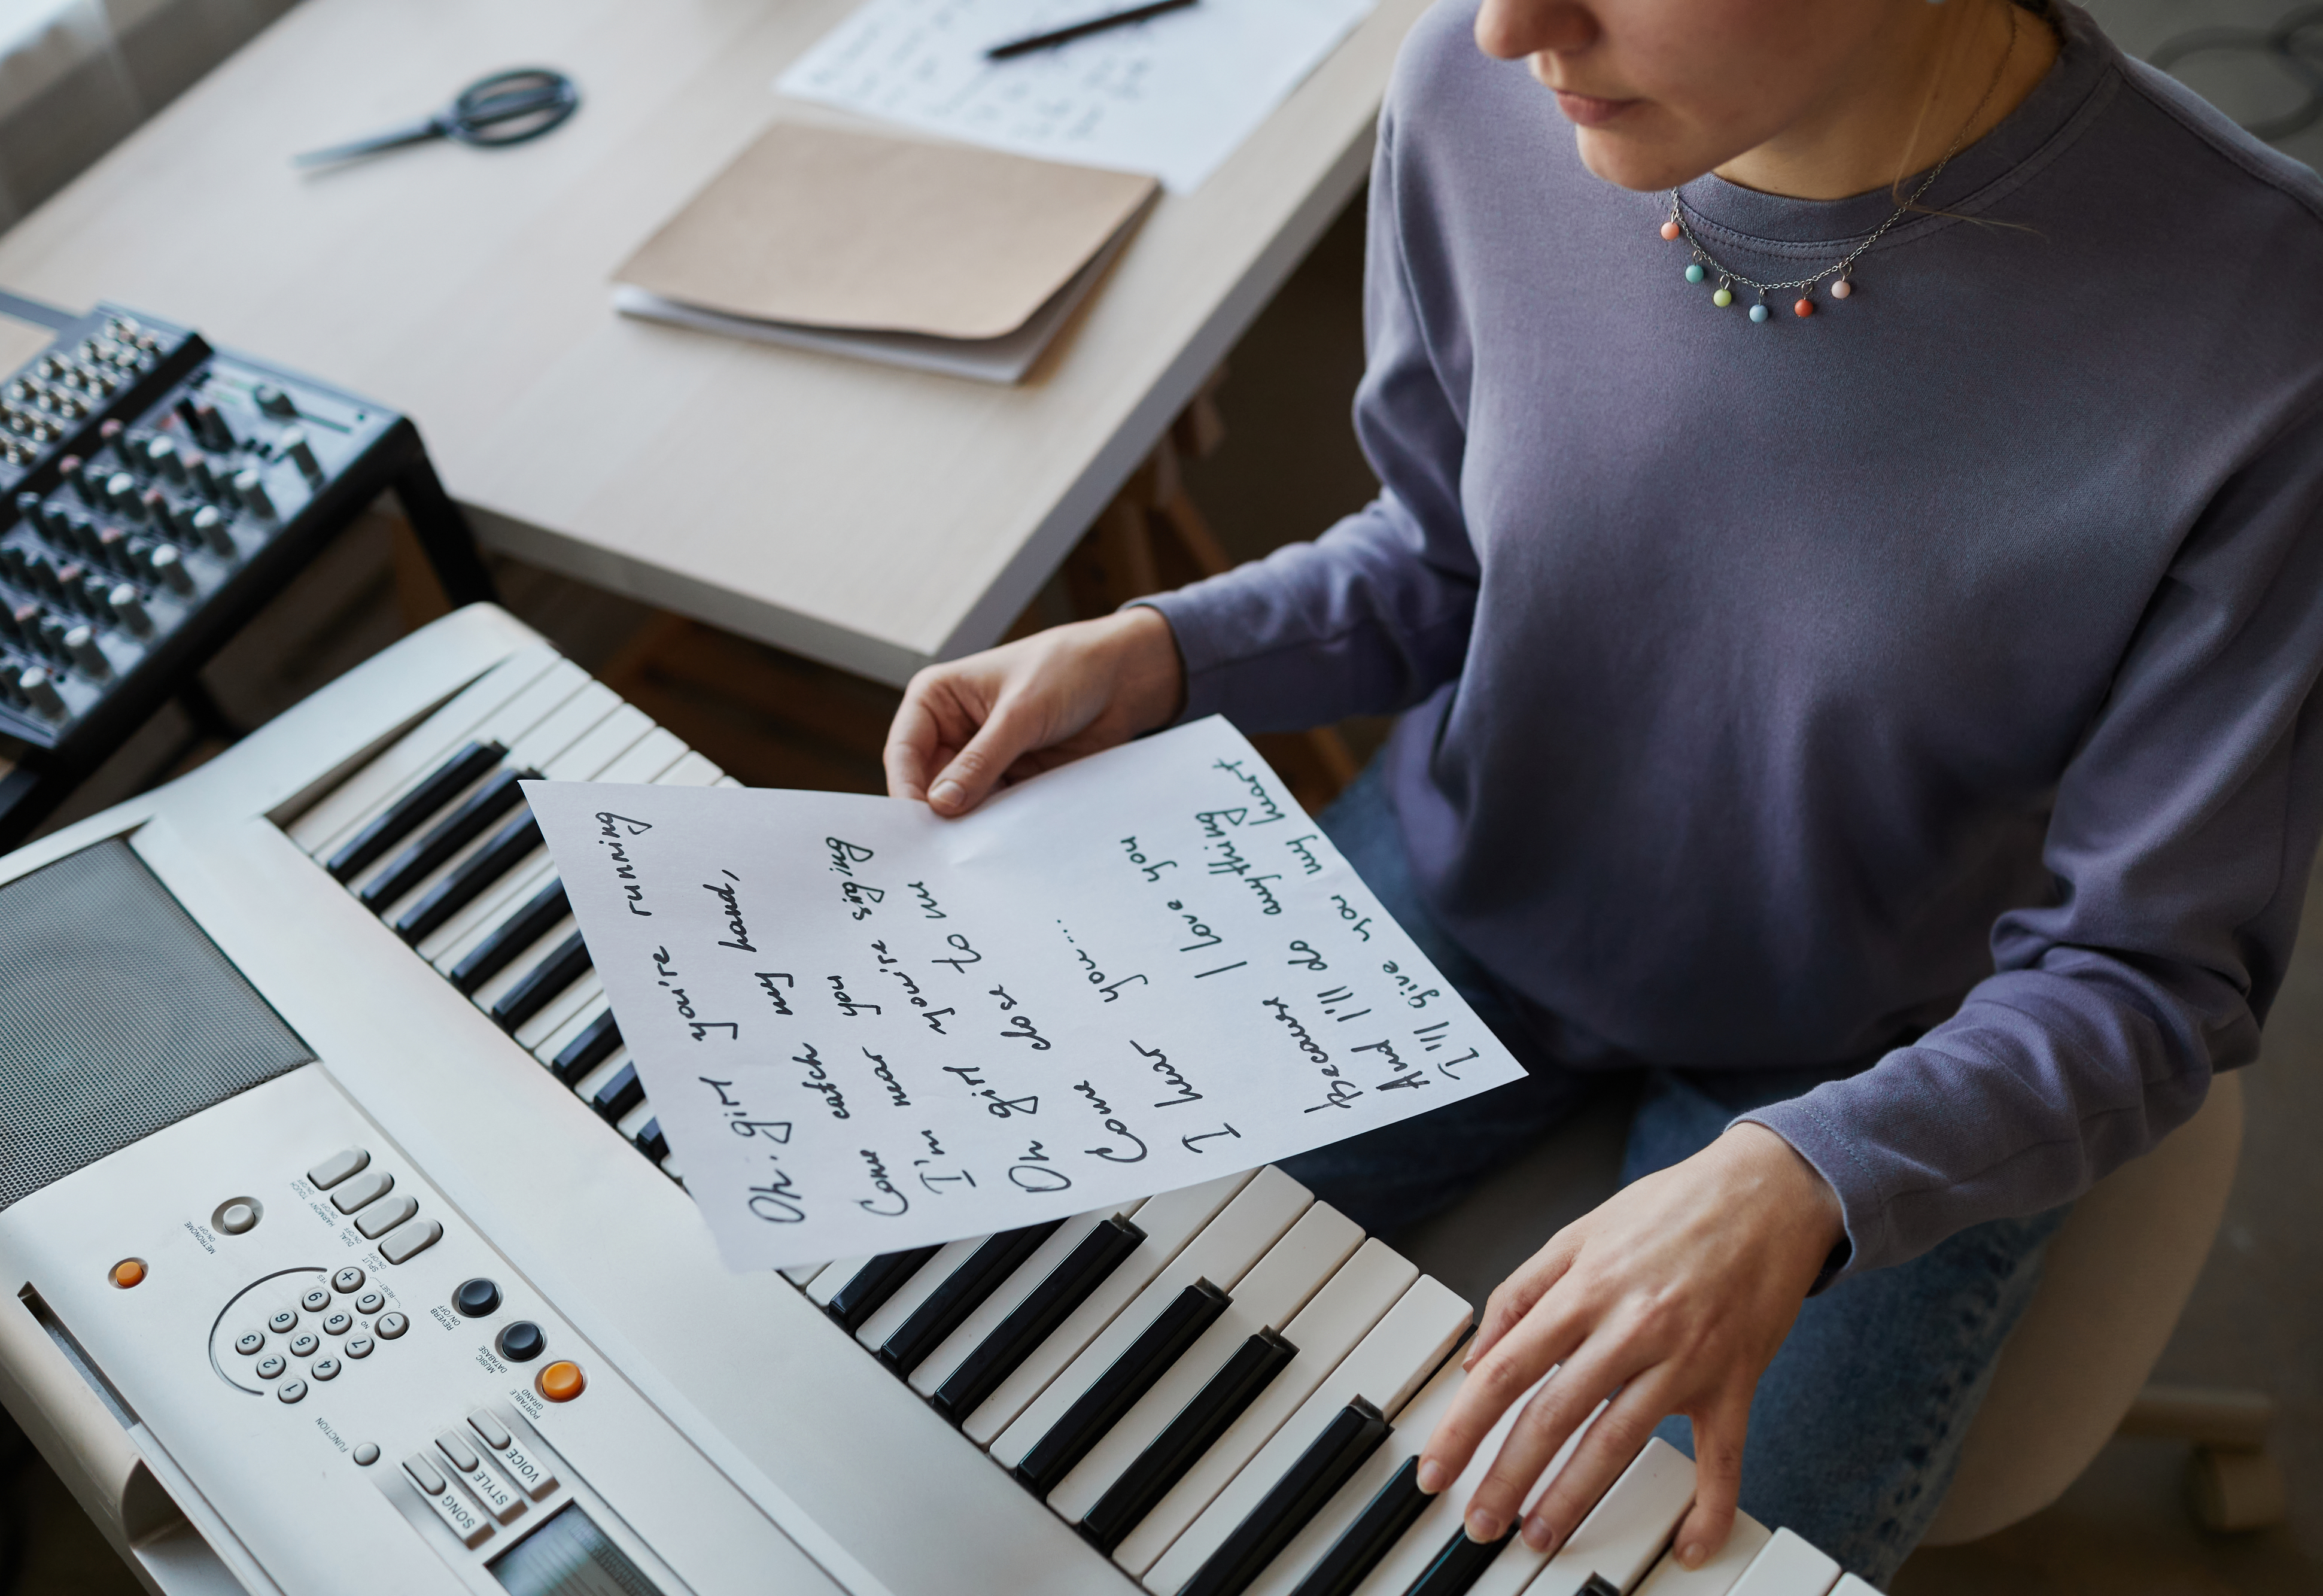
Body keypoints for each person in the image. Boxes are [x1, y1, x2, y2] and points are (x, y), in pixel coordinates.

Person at [884, 0, 2323, 1580]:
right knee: (1024, 1316)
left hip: (1885, 1054)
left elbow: (2145, 973)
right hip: (1472, 883)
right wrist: (1164, 649)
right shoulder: (1464, 92)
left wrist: (1810, 1174)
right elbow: (1444, 549)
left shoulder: (2262, 320)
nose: (1513, 28)